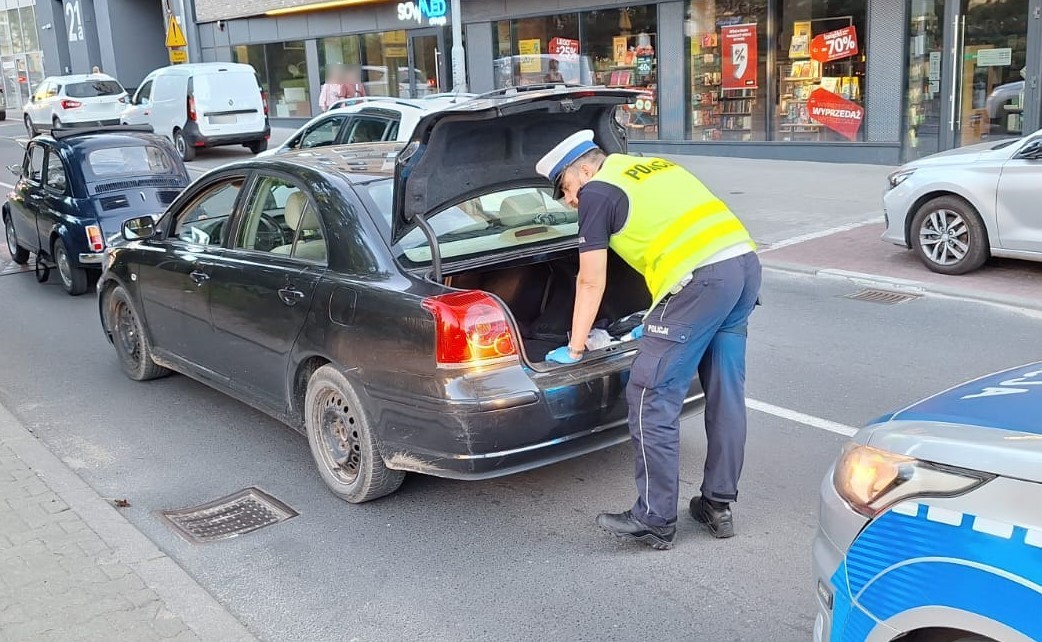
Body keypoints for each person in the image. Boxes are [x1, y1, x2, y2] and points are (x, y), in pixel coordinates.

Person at [536, 129, 761, 550]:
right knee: (727, 392)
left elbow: (589, 280)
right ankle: (718, 505)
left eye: (564, 189)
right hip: (743, 266)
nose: (568, 201)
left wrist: (577, 346)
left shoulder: (598, 192)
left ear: (584, 169)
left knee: (648, 393)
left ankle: (655, 518)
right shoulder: (652, 166)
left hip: (700, 280)